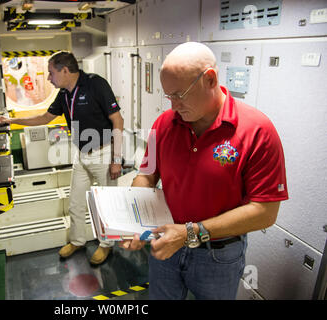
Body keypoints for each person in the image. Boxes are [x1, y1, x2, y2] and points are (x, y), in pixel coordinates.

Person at [119, 42, 288, 299]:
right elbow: (146, 175)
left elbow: (265, 212)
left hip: (218, 254)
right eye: (168, 96)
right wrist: (136, 220)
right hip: (165, 244)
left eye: (180, 95)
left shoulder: (257, 131)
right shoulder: (164, 124)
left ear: (210, 79)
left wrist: (189, 233)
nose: (173, 105)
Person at [0, 51, 124, 265]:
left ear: (65, 70)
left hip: (104, 153)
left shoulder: (96, 84)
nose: (49, 78)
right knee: (76, 202)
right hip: (81, 155)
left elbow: (117, 120)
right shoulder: (64, 94)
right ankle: (78, 240)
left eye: (51, 73)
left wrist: (117, 159)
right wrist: (10, 121)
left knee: (105, 205)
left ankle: (106, 245)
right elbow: (45, 117)